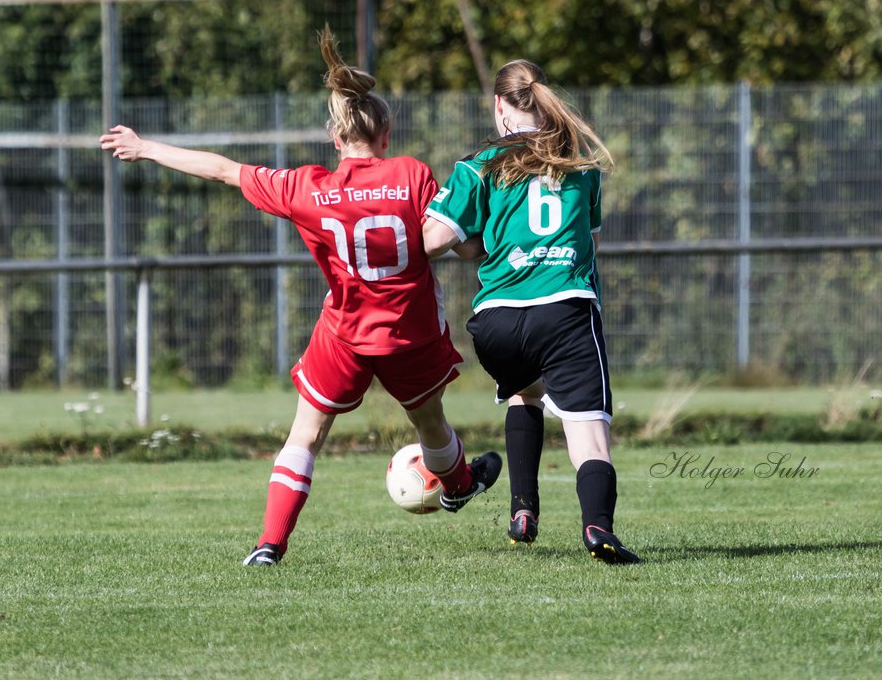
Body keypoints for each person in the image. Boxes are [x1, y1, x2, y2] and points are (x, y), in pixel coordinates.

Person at [100, 28, 501, 567]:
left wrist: (145, 148)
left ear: (335, 141)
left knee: (306, 436)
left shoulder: (308, 188)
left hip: (344, 333)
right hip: (409, 331)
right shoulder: (412, 174)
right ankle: (456, 485)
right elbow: (453, 241)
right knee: (430, 423)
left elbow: (222, 169)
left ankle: (269, 545)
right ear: (386, 133)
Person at [422, 59, 642, 565]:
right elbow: (588, 244)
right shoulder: (578, 163)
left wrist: (470, 241)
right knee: (587, 430)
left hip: (497, 320)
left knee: (527, 391)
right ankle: (598, 529)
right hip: (564, 310)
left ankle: (523, 511)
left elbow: (434, 241)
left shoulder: (478, 164)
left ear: (499, 105)